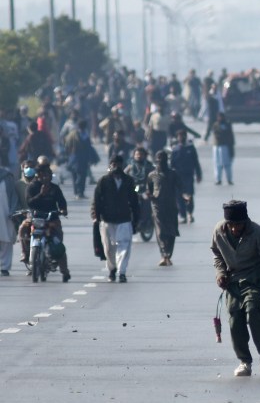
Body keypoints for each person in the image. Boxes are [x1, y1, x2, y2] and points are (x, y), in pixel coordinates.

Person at [211, 200, 260, 376]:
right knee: (235, 320)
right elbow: (217, 256)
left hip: (255, 280)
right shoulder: (219, 232)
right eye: (231, 225)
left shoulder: (259, 233)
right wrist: (220, 274)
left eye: (239, 225)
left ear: (245, 221)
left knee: (253, 310)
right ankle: (244, 361)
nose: (235, 229)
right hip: (233, 282)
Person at [91, 155, 140, 283]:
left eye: (118, 164)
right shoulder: (103, 181)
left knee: (124, 246)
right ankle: (112, 269)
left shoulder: (129, 181)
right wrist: (96, 217)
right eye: (114, 164)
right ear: (110, 166)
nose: (116, 167)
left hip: (124, 219)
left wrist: (136, 219)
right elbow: (97, 200)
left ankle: (122, 272)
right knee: (109, 248)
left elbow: (134, 201)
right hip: (107, 220)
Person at [24, 165, 69, 281]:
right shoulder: (32, 187)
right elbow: (29, 203)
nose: (45, 177)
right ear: (38, 175)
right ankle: (25, 254)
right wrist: (41, 194)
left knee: (57, 244)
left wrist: (63, 210)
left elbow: (62, 203)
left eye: (48, 174)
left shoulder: (55, 188)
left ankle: (64, 271)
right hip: (36, 218)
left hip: (51, 220)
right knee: (23, 232)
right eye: (43, 174)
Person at [147, 151, 181, 266]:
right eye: (159, 160)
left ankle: (168, 254)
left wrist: (186, 196)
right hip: (157, 207)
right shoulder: (152, 175)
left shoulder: (173, 174)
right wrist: (149, 196)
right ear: (156, 161)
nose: (161, 162)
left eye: (163, 160)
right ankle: (164, 255)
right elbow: (149, 189)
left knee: (171, 232)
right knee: (160, 232)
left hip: (171, 206)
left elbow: (180, 187)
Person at [170, 129, 202, 224]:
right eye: (179, 136)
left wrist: (199, 174)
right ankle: (182, 215)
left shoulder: (191, 148)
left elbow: (196, 162)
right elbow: (172, 165)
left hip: (188, 176)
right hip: (178, 177)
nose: (181, 137)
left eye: (183, 135)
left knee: (189, 195)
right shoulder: (175, 150)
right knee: (179, 197)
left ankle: (190, 213)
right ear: (177, 138)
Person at [65, 120, 98, 199]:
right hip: (79, 158)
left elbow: (66, 145)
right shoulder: (84, 135)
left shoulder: (72, 134)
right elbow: (89, 148)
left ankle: (78, 192)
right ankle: (79, 192)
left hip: (75, 158)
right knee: (80, 176)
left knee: (77, 176)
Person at [0, 164, 20, 277]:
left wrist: (13, 211)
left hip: (5, 214)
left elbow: (13, 195)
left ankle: (4, 267)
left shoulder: (7, 177)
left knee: (6, 240)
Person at [211, 112, 235, 185]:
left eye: (221, 117)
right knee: (217, 164)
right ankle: (218, 179)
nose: (220, 118)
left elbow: (230, 135)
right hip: (217, 146)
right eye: (219, 117)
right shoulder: (215, 125)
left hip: (225, 146)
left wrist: (231, 146)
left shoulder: (227, 124)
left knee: (227, 164)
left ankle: (229, 179)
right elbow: (216, 133)